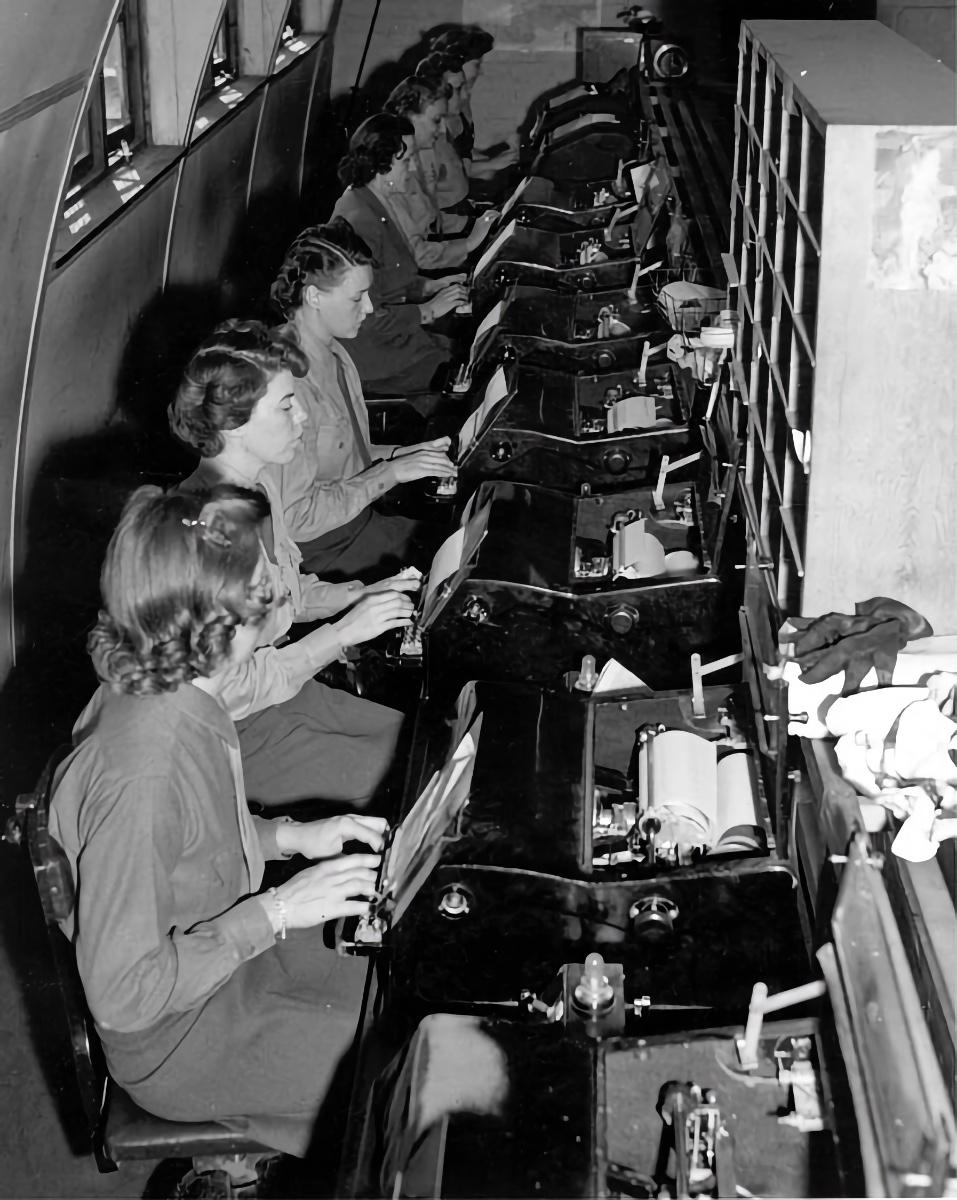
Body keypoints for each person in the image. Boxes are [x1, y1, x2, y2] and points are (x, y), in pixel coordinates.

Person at [48, 484, 389, 1161]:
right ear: (214, 619)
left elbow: (194, 844)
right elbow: (123, 996)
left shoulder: (173, 688)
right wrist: (280, 910)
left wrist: (290, 836)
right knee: (406, 1070)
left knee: (410, 981)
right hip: (180, 1035)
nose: (276, 592)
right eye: (262, 583)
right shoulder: (141, 771)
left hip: (224, 949)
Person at [170, 319, 422, 807]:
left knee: (429, 743)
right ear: (234, 424)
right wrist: (343, 634)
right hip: (231, 734)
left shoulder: (259, 489)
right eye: (287, 405)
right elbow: (227, 692)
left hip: (283, 689)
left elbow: (289, 595)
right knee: (410, 784)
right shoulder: (207, 531)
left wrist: (361, 594)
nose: (303, 416)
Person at [270, 223, 458, 578]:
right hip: (318, 560)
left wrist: (404, 455)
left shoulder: (336, 353)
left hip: (359, 525)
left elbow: (345, 457)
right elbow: (296, 520)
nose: (369, 308)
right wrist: (392, 472)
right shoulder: (285, 384)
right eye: (357, 298)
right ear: (313, 297)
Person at [330, 114, 472, 395]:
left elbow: (392, 279)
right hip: (376, 356)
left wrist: (433, 286)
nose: (412, 169)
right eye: (406, 161)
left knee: (470, 348)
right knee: (462, 369)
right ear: (383, 163)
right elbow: (368, 316)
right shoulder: (359, 220)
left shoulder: (374, 202)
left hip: (396, 339)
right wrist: (428, 309)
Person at [383, 76, 489, 249]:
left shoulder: (423, 152)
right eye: (436, 120)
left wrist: (475, 224)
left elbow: (430, 219)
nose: (441, 130)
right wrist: (468, 243)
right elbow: (415, 249)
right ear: (409, 116)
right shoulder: (393, 169)